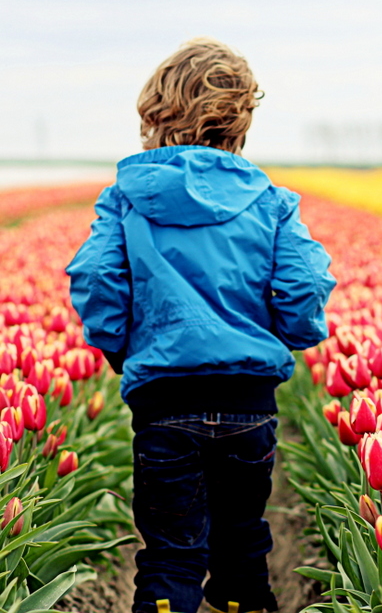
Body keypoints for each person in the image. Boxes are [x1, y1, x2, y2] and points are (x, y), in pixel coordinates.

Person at [66, 38, 336, 613]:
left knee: (171, 556)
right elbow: (304, 287)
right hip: (249, 402)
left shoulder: (125, 200)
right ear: (240, 123)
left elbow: (95, 277)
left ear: (154, 116)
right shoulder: (271, 203)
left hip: (164, 404)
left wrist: (120, 348)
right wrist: (288, 335)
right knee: (242, 546)